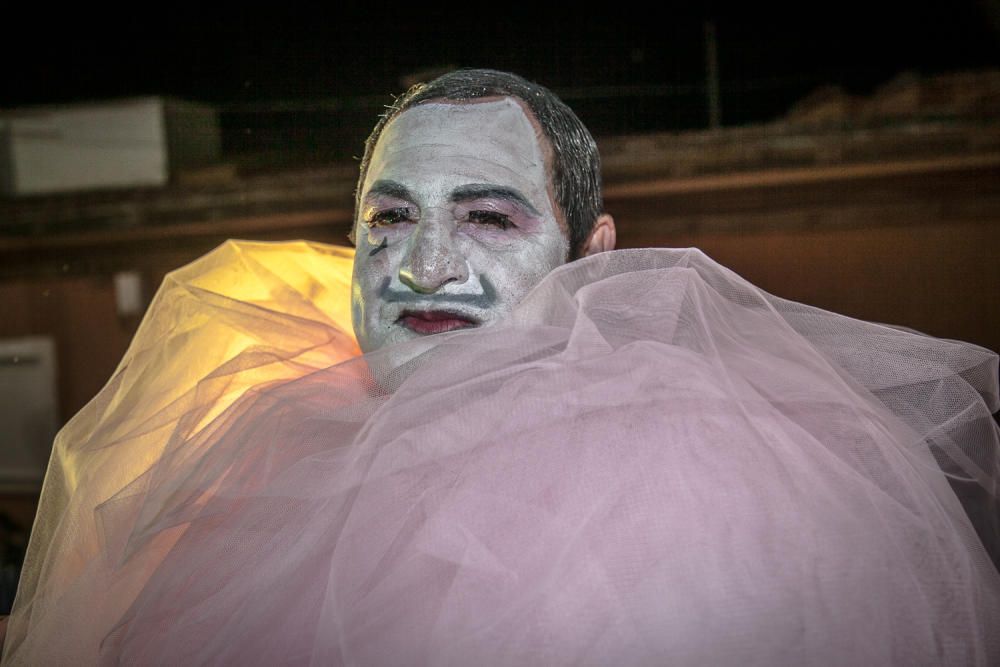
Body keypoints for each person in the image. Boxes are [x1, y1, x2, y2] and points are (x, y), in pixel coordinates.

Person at [3, 69, 1000, 665]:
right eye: (389, 218)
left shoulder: (722, 491)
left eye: (487, 216)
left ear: (592, 255)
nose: (424, 264)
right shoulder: (246, 469)